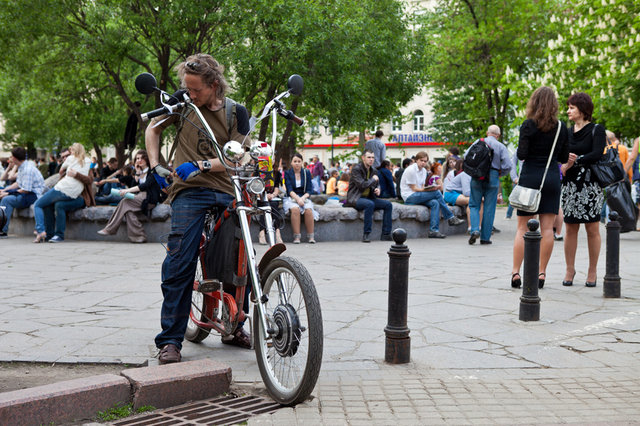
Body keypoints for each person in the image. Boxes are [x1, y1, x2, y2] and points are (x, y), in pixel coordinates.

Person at [144, 53, 253, 364]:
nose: (189, 94)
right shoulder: (183, 104)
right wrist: (155, 167)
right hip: (189, 191)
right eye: (186, 89)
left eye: (195, 90)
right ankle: (170, 341)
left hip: (225, 189)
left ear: (214, 85)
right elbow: (153, 130)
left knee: (238, 258)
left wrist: (203, 164)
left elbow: (239, 158)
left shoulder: (237, 112)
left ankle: (234, 327)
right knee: (180, 261)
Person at [509, 87, 569, 289]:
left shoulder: (528, 125)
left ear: (533, 103)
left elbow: (522, 154)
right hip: (551, 178)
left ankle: (516, 272)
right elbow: (562, 158)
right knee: (547, 229)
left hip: (529, 178)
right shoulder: (561, 127)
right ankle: (541, 273)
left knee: (522, 227)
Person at [560, 92, 606, 288]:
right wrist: (566, 163)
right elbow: (561, 155)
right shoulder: (566, 131)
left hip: (590, 184)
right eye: (568, 107)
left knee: (592, 228)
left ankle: (592, 270)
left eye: (572, 107)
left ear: (582, 109)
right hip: (570, 184)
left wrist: (575, 160)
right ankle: (570, 269)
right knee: (570, 227)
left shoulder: (597, 129)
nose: (568, 111)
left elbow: (597, 154)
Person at [33, 143, 93, 243]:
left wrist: (76, 174)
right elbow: (60, 182)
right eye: (63, 157)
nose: (65, 158)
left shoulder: (84, 164)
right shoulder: (66, 167)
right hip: (65, 193)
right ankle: (49, 234)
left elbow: (90, 180)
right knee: (52, 204)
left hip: (81, 198)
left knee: (54, 205)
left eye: (67, 156)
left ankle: (57, 234)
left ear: (73, 154)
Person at [466, 125, 513, 245]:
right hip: (493, 175)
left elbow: (467, 156)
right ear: (498, 135)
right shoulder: (501, 146)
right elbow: (508, 165)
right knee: (489, 207)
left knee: (474, 204)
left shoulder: (478, 142)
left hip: (477, 175)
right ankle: (485, 238)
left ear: (487, 133)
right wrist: (500, 173)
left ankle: (475, 230)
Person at [400, 151, 465, 238]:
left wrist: (429, 188)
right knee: (437, 193)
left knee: (435, 203)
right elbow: (414, 188)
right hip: (409, 196)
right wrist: (429, 190)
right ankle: (450, 217)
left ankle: (434, 231)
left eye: (425, 161)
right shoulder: (411, 170)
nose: (423, 163)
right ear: (416, 160)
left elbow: (422, 187)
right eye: (421, 160)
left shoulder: (423, 171)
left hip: (418, 195)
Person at [345, 150, 393, 242]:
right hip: (356, 198)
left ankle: (386, 234)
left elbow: (376, 183)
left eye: (373, 157)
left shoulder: (374, 170)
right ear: (363, 158)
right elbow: (362, 185)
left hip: (369, 198)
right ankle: (366, 234)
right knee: (369, 204)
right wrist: (373, 180)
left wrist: (378, 189)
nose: (371, 160)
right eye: (369, 157)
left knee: (388, 205)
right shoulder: (356, 169)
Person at [0, 147, 45, 238]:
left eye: (11, 157)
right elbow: (18, 183)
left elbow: (26, 190)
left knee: (6, 200)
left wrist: (7, 193)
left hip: (33, 195)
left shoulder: (28, 169)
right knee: (2, 193)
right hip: (27, 193)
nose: (10, 159)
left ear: (15, 158)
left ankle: (3, 231)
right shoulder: (22, 167)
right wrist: (4, 190)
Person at [284, 153, 317, 243]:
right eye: (295, 161)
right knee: (295, 209)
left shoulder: (306, 173)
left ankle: (311, 236)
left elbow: (310, 190)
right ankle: (297, 237)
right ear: (291, 163)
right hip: (292, 197)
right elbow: (289, 189)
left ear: (302, 162)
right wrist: (298, 199)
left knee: (308, 210)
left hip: (304, 196)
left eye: (299, 161)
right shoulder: (287, 173)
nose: (297, 163)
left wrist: (302, 198)